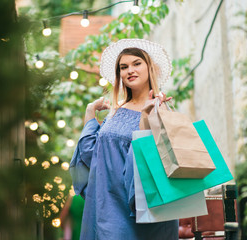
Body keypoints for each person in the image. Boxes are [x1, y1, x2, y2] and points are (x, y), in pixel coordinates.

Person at [70, 38, 178, 240]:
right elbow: (91, 156)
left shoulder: (159, 108)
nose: (130, 70)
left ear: (149, 68)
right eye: (123, 67)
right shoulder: (115, 111)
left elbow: (154, 161)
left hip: (140, 212)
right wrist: (90, 112)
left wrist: (149, 117)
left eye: (137, 63)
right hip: (106, 206)